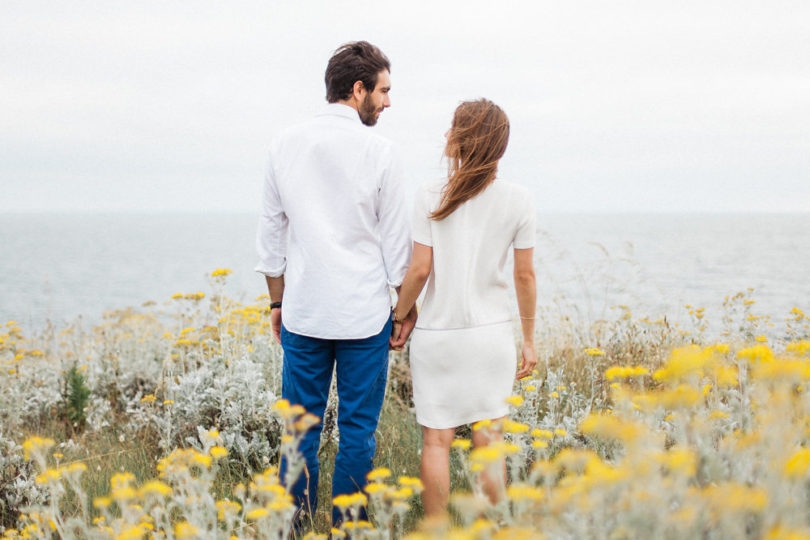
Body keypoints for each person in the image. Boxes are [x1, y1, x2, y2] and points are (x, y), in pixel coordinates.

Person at [255, 41, 418, 524]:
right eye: (384, 91)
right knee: (358, 432)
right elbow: (397, 248)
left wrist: (276, 304)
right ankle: (349, 532)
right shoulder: (381, 152)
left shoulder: (284, 144)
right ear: (358, 88)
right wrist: (404, 310)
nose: (388, 102)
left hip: (304, 311)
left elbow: (270, 235)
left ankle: (296, 529)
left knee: (299, 431)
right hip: (364, 316)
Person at [390, 99, 537, 517]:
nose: (445, 135)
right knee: (489, 441)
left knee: (436, 442)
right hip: (492, 337)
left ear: (462, 139)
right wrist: (528, 338)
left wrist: (398, 317)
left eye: (451, 127)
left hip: (439, 337)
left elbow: (419, 271)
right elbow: (524, 277)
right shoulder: (519, 199)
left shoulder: (429, 195)